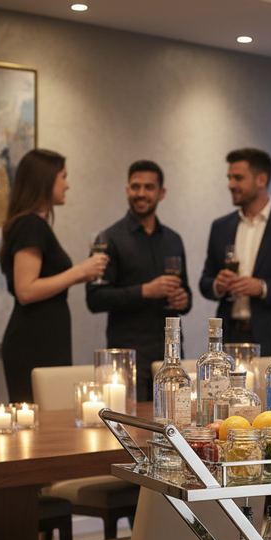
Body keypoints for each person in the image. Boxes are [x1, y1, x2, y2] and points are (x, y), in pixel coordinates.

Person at [0, 149, 108, 403]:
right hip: (33, 339)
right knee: (39, 419)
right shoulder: (31, 224)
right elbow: (26, 291)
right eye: (63, 177)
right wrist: (79, 272)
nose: (67, 185)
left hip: (44, 336)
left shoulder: (32, 223)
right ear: (45, 179)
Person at [86, 160, 192, 401]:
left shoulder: (174, 239)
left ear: (161, 193)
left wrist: (183, 300)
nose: (141, 193)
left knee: (176, 417)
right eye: (135, 187)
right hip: (128, 355)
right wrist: (145, 291)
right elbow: (95, 299)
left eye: (148, 187)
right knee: (132, 420)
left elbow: (186, 296)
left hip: (171, 354)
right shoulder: (108, 239)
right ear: (127, 190)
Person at [199, 148, 271, 356]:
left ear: (261, 179)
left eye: (238, 178)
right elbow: (205, 282)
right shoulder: (221, 226)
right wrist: (218, 285)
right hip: (229, 337)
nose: (231, 185)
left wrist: (262, 287)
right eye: (229, 178)